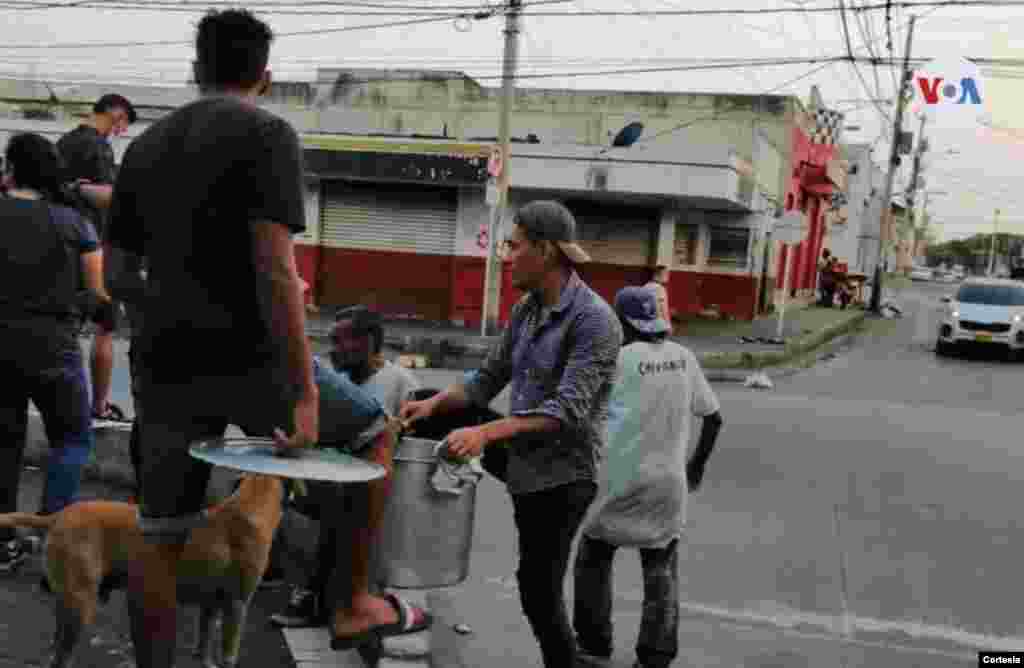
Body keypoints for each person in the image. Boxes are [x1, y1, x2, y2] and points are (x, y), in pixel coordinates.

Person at [103, 10, 422, 666]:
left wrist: (171, 309)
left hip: (163, 365)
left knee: (159, 534)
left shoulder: (143, 147)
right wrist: (304, 393)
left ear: (196, 71)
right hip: (252, 360)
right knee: (371, 431)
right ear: (265, 77)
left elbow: (116, 276)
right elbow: (277, 270)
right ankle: (351, 602)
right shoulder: (268, 133)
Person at [401, 200, 622, 668]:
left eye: (513, 246)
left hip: (563, 478)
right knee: (424, 403)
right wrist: (432, 405)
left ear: (544, 251)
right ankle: (398, 545)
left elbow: (567, 412)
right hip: (521, 455)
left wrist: (484, 434)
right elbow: (487, 378)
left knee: (537, 593)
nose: (505, 255)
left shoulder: (594, 321)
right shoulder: (526, 308)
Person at [573, 285, 723, 668]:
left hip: (617, 480)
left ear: (622, 322)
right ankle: (655, 656)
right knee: (661, 565)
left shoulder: (617, 360)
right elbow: (713, 417)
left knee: (595, 555)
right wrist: (696, 466)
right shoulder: (683, 358)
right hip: (668, 483)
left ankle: (594, 645)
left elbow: (582, 417)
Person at [0, 133, 117, 571]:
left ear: (10, 168)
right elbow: (99, 299)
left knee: (3, 444)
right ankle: (53, 539)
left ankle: (2, 543)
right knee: (71, 439)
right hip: (54, 349)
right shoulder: (75, 225)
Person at [270, 305, 423, 629]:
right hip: (331, 473)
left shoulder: (401, 382)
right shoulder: (336, 383)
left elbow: (408, 438)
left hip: (372, 481)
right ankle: (308, 589)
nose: (334, 349)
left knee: (338, 510)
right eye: (332, 341)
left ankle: (317, 597)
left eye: (342, 341)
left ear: (368, 343)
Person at [57, 92, 137, 424]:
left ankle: (60, 402)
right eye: (122, 125)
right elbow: (110, 200)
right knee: (105, 329)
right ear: (115, 114)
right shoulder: (98, 147)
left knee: (64, 330)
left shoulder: (62, 143)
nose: (118, 133)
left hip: (60, 248)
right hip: (96, 251)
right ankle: (99, 406)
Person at [644, 264, 672, 334]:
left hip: (644, 324)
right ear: (656, 275)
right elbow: (664, 309)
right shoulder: (660, 289)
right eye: (666, 273)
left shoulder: (645, 286)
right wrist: (668, 325)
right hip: (657, 325)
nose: (668, 276)